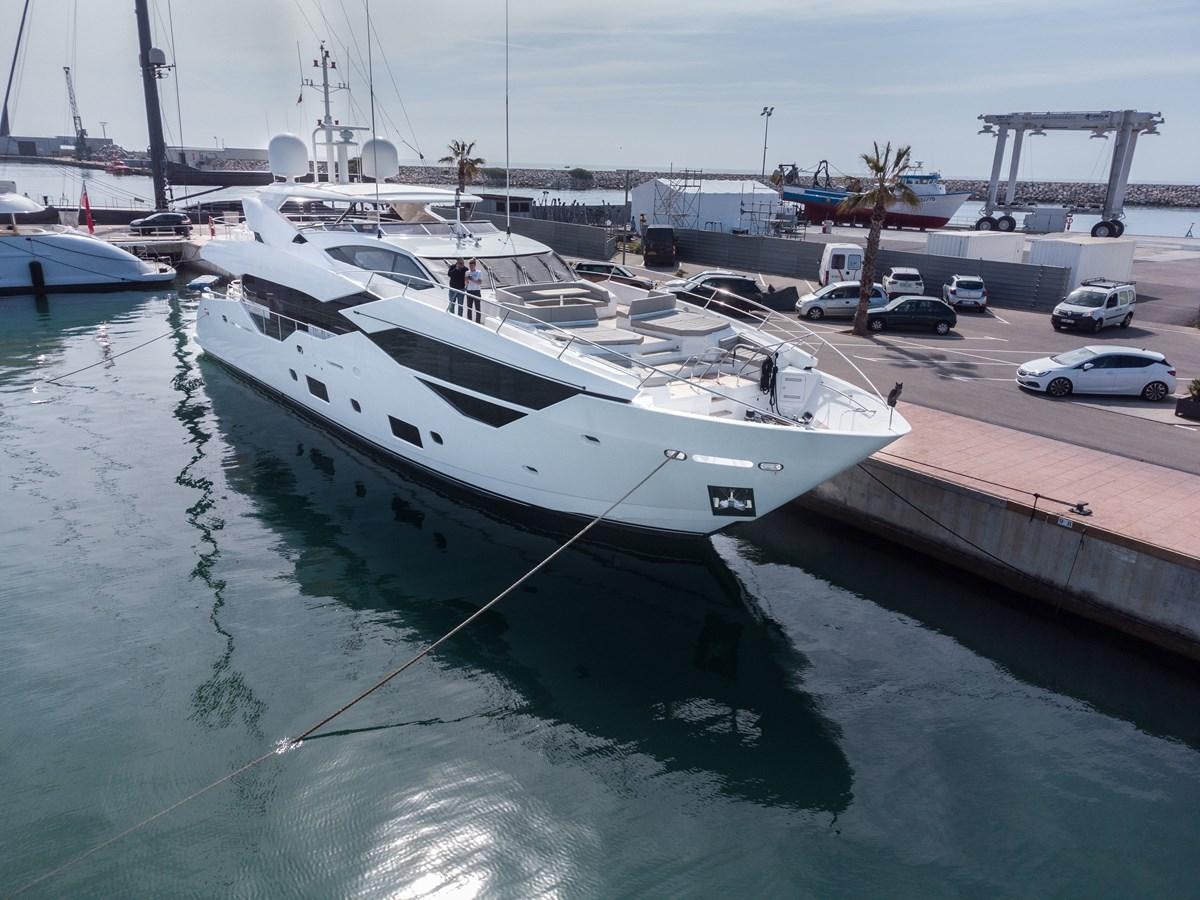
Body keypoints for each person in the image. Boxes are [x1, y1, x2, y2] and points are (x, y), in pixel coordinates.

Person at [465, 259, 484, 323]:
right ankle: (469, 321)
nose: (471, 267)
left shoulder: (479, 272)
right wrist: (466, 280)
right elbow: (466, 283)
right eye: (470, 266)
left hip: (476, 291)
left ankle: (477, 322)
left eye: (472, 266)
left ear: (475, 265)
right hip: (469, 291)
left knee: (477, 308)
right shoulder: (467, 272)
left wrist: (472, 279)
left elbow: (479, 282)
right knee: (469, 308)